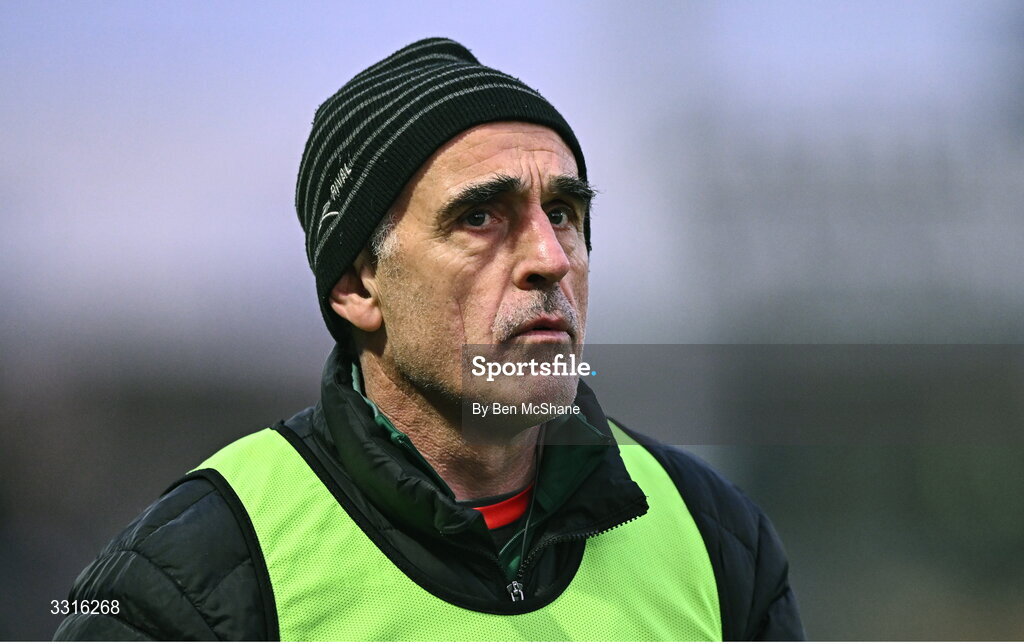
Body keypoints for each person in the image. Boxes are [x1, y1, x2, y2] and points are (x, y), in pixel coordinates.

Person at [55, 37, 804, 641]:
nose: (549, 257)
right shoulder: (190, 580)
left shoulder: (714, 536)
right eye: (481, 217)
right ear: (357, 286)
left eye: (566, 212)